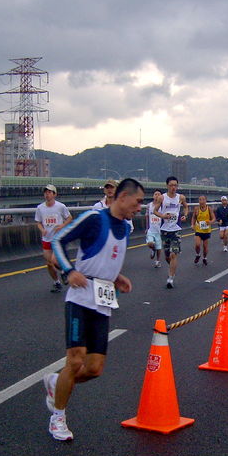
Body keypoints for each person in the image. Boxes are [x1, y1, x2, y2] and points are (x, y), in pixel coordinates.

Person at [43, 178, 145, 441]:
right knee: (75, 359)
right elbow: (57, 241)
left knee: (94, 368)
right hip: (79, 297)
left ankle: (57, 384)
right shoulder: (94, 218)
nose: (140, 207)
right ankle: (58, 418)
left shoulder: (125, 228)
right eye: (138, 201)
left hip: (102, 300)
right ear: (123, 196)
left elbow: (104, 257)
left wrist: (117, 276)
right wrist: (69, 270)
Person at [35, 184, 72, 293]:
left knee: (54, 260)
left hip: (58, 239)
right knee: (49, 264)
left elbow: (69, 218)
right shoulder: (40, 208)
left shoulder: (61, 206)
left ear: (54, 194)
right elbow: (38, 222)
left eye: (50, 192)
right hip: (46, 239)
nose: (47, 194)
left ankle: (64, 272)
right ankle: (56, 282)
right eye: (46, 192)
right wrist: (42, 230)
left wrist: (61, 226)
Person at [154, 176, 188, 288]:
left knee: (174, 254)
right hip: (164, 229)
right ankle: (172, 267)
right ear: (167, 186)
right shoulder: (162, 198)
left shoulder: (180, 197)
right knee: (167, 256)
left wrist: (185, 215)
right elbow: (155, 211)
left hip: (176, 229)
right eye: (171, 185)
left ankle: (170, 278)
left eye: (175, 185)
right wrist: (162, 215)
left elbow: (186, 207)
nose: (173, 187)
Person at [192, 195, 214, 265]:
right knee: (197, 245)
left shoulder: (209, 209)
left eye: (203, 200)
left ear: (206, 201)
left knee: (205, 247)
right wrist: (192, 224)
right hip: (198, 229)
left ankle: (204, 258)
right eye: (200, 200)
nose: (202, 201)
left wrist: (210, 222)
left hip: (206, 230)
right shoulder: (196, 209)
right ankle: (197, 254)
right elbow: (194, 217)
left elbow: (213, 218)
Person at [146, 189, 163, 268]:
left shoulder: (162, 206)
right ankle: (153, 249)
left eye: (159, 194)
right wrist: (147, 227)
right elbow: (147, 216)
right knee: (150, 243)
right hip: (151, 230)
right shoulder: (149, 205)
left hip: (159, 230)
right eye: (155, 194)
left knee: (159, 247)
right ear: (153, 196)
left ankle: (158, 261)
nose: (157, 196)